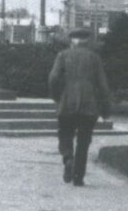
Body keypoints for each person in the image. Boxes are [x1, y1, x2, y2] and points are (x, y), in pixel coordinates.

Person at [48, 26, 113, 186]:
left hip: (68, 101)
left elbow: (53, 78)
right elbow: (103, 85)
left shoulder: (63, 55)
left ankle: (68, 157)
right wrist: (105, 107)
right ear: (87, 41)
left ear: (71, 40)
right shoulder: (94, 58)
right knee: (84, 140)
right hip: (89, 104)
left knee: (65, 134)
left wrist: (57, 96)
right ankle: (78, 177)